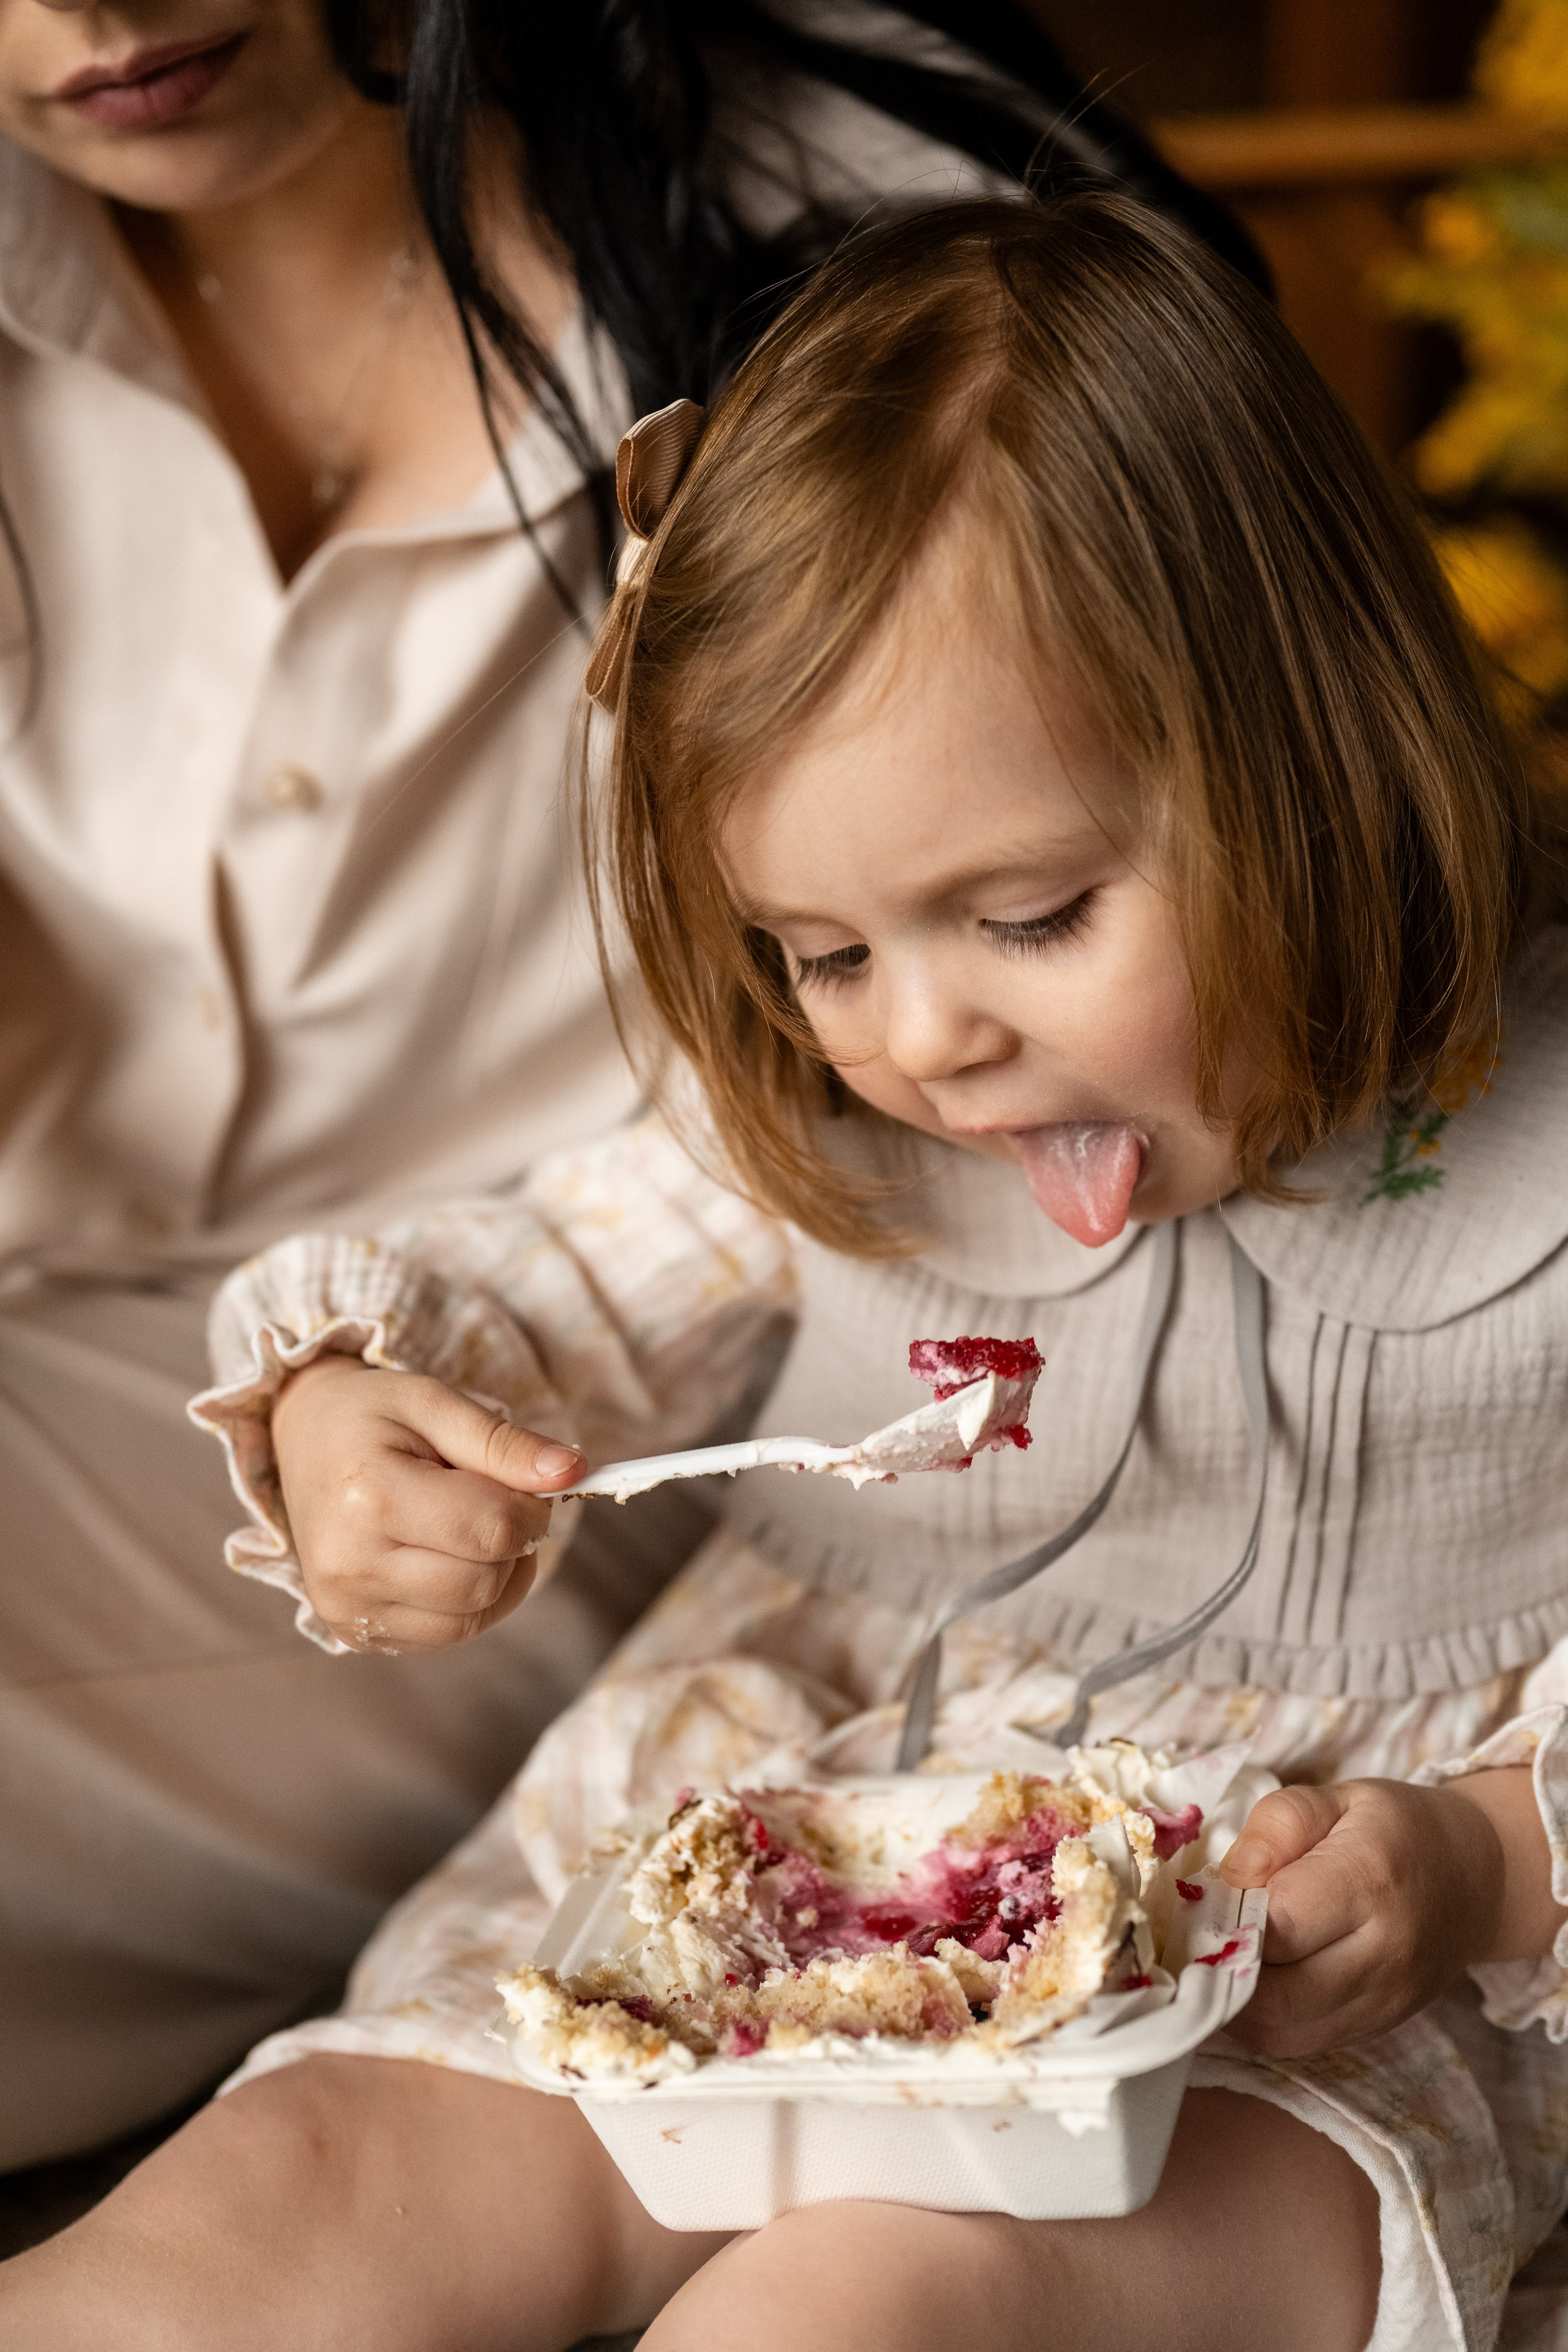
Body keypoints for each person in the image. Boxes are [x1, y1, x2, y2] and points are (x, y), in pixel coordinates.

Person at [10, 190, 1567, 2351]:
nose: (922, 1040)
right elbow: (542, 1281)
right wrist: (369, 1408)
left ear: (1316, 748)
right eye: (824, 952)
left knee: (864, 2300)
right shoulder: (832, 1136)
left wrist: (1488, 1855)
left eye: (1026, 916)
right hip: (761, 1876)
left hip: (1267, 2014)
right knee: (294, 2187)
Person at [0, 0, 1267, 2169]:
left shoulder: (888, 246)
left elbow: (1231, 937)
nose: (90, 18)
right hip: (167, 1361)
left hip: (629, 1450)